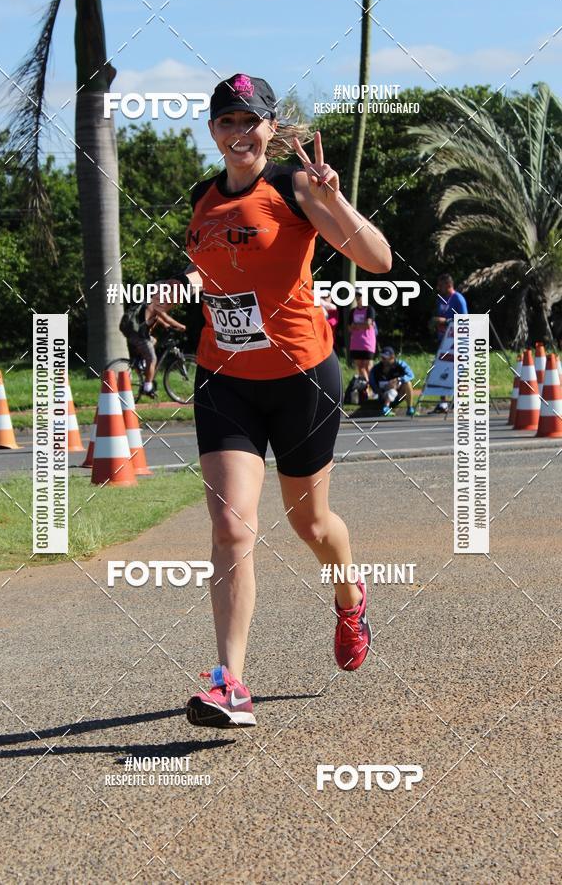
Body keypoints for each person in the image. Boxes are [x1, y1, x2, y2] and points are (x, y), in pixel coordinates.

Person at [146, 73, 392, 728]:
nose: (237, 132)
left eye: (248, 121)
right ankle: (230, 683)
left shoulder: (295, 186)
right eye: (225, 121)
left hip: (301, 379)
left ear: (269, 128)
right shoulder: (203, 197)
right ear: (213, 130)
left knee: (310, 525)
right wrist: (180, 284)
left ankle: (349, 595)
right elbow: (215, 262)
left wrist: (336, 203)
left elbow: (379, 259)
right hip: (223, 378)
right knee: (231, 528)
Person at [430, 273, 468, 413]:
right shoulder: (441, 299)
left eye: (441, 285)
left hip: (456, 340)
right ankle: (443, 403)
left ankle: (461, 399)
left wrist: (444, 321)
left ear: (448, 284)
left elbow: (464, 320)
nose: (438, 288)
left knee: (458, 371)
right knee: (441, 369)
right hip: (442, 339)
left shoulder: (458, 299)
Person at [119, 301, 164, 399]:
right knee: (152, 359)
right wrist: (170, 325)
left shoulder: (146, 304)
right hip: (139, 335)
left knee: (154, 341)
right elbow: (157, 318)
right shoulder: (153, 304)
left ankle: (140, 361)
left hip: (134, 333)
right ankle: (147, 387)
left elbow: (155, 319)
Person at [369, 347, 415, 416]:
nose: (383, 360)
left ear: (392, 357)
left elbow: (411, 375)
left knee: (408, 383)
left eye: (385, 358)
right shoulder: (376, 368)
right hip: (383, 396)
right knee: (391, 391)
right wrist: (381, 390)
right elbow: (372, 383)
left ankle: (410, 408)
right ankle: (386, 408)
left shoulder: (400, 364)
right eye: (382, 358)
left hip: (399, 396)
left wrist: (398, 380)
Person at [348, 289, 376, 392]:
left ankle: (373, 389)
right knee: (360, 368)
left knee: (368, 367)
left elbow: (368, 324)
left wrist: (356, 325)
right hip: (356, 343)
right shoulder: (352, 311)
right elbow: (350, 328)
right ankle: (366, 390)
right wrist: (360, 325)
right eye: (356, 295)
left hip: (368, 343)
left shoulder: (370, 309)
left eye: (360, 295)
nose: (358, 297)